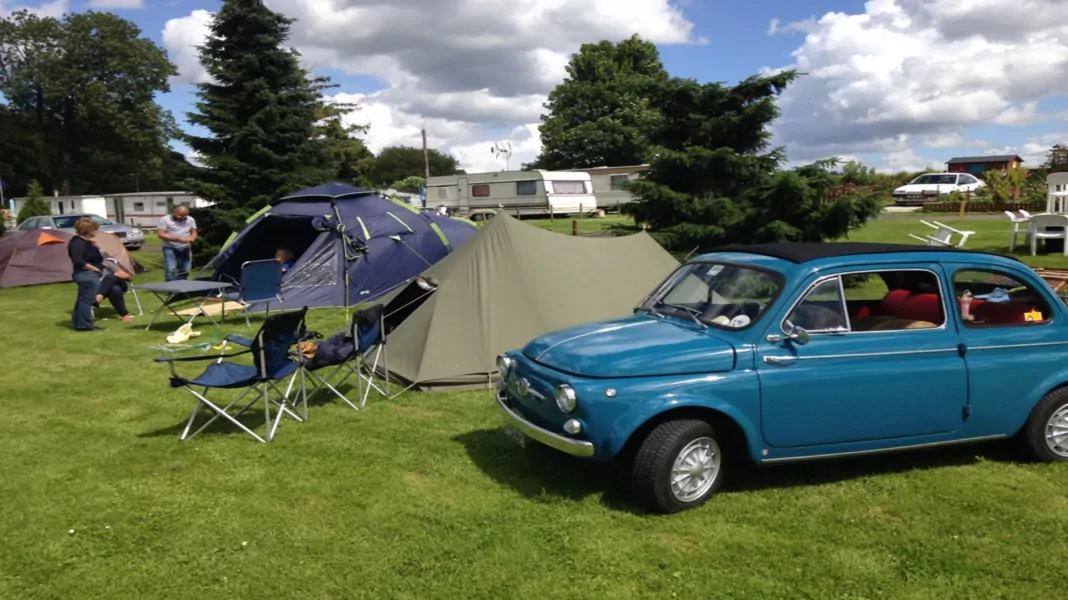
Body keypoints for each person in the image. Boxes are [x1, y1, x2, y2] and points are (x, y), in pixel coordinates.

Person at [67, 218, 106, 331]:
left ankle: (78, 323)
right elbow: (79, 261)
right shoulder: (77, 243)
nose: (96, 231)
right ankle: (85, 325)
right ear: (88, 230)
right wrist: (96, 270)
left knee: (82, 300)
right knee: (87, 301)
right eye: (95, 229)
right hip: (86, 274)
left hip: (89, 274)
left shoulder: (86, 242)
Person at [157, 205, 198, 281]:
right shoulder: (165, 219)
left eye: (184, 216)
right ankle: (172, 290)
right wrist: (177, 239)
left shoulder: (190, 219)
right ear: (174, 213)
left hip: (185, 247)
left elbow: (194, 232)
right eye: (180, 216)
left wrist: (192, 238)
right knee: (170, 269)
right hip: (169, 247)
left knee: (185, 269)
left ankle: (180, 288)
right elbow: (161, 234)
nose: (182, 218)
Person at [94, 259, 134, 324]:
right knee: (115, 290)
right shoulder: (88, 266)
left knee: (110, 277)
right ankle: (124, 315)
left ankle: (99, 296)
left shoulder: (106, 263)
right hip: (105, 288)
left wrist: (117, 275)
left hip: (120, 284)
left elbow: (127, 275)